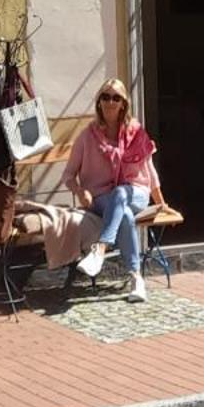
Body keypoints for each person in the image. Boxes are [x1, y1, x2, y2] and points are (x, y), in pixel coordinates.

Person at [63, 78, 162, 303]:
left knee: (121, 194)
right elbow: (68, 175)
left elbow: (149, 169)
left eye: (116, 97)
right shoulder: (86, 136)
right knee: (124, 212)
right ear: (99, 102)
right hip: (101, 199)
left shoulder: (135, 132)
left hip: (137, 192)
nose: (110, 102)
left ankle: (100, 249)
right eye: (105, 97)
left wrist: (161, 204)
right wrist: (80, 192)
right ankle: (137, 278)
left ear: (123, 104)